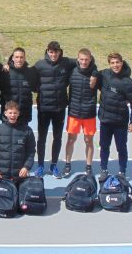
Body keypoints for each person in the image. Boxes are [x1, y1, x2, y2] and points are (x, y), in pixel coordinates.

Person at [33, 41, 76, 179]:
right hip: (44, 108)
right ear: (47, 51)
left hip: (59, 108)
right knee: (42, 138)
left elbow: (86, 61)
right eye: (51, 52)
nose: (53, 55)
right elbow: (30, 79)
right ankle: (40, 165)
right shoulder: (39, 65)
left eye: (56, 52)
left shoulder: (67, 62)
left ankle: (54, 164)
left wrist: (93, 73)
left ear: (60, 52)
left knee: (58, 137)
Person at [97, 52, 132, 182]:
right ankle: (104, 170)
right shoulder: (104, 74)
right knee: (104, 146)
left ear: (122, 62)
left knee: (121, 147)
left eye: (117, 62)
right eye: (112, 63)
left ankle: (122, 171)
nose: (115, 65)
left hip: (120, 121)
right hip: (105, 120)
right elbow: (94, 76)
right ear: (109, 64)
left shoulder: (129, 83)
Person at [63, 48, 98, 177]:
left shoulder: (95, 74)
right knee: (71, 140)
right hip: (74, 113)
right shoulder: (72, 71)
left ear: (90, 59)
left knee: (89, 141)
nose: (84, 62)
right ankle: (67, 164)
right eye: (81, 59)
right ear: (78, 59)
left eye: (86, 60)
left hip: (89, 113)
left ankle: (88, 166)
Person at [0, 101, 36, 181]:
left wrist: (26, 167)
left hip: (20, 176)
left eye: (15, 113)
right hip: (1, 175)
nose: (12, 115)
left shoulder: (27, 130)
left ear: (18, 114)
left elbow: (31, 151)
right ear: (5, 113)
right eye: (10, 113)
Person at [1, 48, 38, 126]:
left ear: (24, 58)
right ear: (13, 58)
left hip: (24, 114)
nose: (19, 59)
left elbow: (36, 88)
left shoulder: (31, 72)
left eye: (21, 57)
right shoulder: (5, 72)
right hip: (9, 115)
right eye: (17, 57)